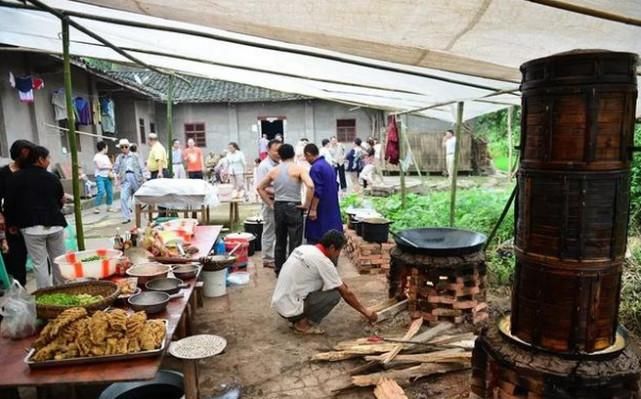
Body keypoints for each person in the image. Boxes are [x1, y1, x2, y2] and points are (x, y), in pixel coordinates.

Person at [271, 230, 377, 334]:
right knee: (335, 294)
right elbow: (346, 293)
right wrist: (366, 312)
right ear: (331, 248)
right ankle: (302, 324)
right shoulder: (323, 262)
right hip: (290, 307)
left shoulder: (304, 248)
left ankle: (296, 317)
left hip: (279, 302)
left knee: (327, 283)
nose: (338, 255)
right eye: (338, 251)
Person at [5, 145, 67, 288]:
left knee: (39, 264)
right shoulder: (52, 178)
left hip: (31, 228)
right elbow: (60, 199)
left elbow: (10, 204)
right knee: (58, 261)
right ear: (40, 159)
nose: (49, 161)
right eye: (48, 158)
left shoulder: (16, 178)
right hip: (55, 224)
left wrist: (12, 224)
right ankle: (63, 290)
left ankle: (46, 296)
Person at [257, 143, 314, 275]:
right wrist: (306, 204)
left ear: (280, 156)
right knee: (295, 240)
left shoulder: (274, 170)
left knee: (280, 239)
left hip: (279, 206)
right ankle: (294, 271)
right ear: (293, 154)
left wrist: (270, 204)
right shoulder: (298, 169)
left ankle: (279, 270)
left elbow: (260, 188)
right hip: (294, 206)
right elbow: (310, 186)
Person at [0, 140, 36, 285]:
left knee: (39, 258)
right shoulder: (3, 173)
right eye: (23, 154)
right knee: (16, 258)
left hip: (32, 220)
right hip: (12, 222)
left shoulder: (32, 171)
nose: (26, 157)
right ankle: (19, 290)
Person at [303, 143, 343, 244]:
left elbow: (317, 190)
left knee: (317, 238)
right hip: (331, 206)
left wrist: (312, 209)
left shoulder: (316, 168)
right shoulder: (327, 165)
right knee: (331, 239)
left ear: (308, 154)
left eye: (306, 157)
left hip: (321, 208)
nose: (306, 160)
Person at [255, 139, 281, 269]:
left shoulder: (280, 163)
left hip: (280, 201)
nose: (278, 153)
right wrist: (271, 203)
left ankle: (275, 255)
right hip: (269, 202)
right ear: (268, 150)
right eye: (276, 150)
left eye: (280, 150)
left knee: (278, 230)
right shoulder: (264, 166)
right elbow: (261, 187)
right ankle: (267, 259)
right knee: (269, 230)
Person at [113, 139, 144, 224]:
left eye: (126, 146)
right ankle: (126, 217)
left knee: (138, 197)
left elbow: (142, 168)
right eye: (122, 147)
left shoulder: (136, 156)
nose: (124, 148)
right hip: (125, 178)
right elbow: (115, 169)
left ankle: (141, 213)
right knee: (123, 197)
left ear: (129, 147)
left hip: (135, 177)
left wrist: (145, 177)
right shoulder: (119, 158)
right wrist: (116, 179)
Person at [93, 141, 114, 214]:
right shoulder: (96, 156)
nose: (107, 148)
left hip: (107, 176)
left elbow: (111, 165)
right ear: (104, 147)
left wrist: (109, 168)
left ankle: (109, 207)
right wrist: (108, 166)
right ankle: (96, 207)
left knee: (110, 192)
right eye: (107, 147)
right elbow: (100, 166)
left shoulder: (106, 157)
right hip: (100, 177)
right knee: (101, 191)